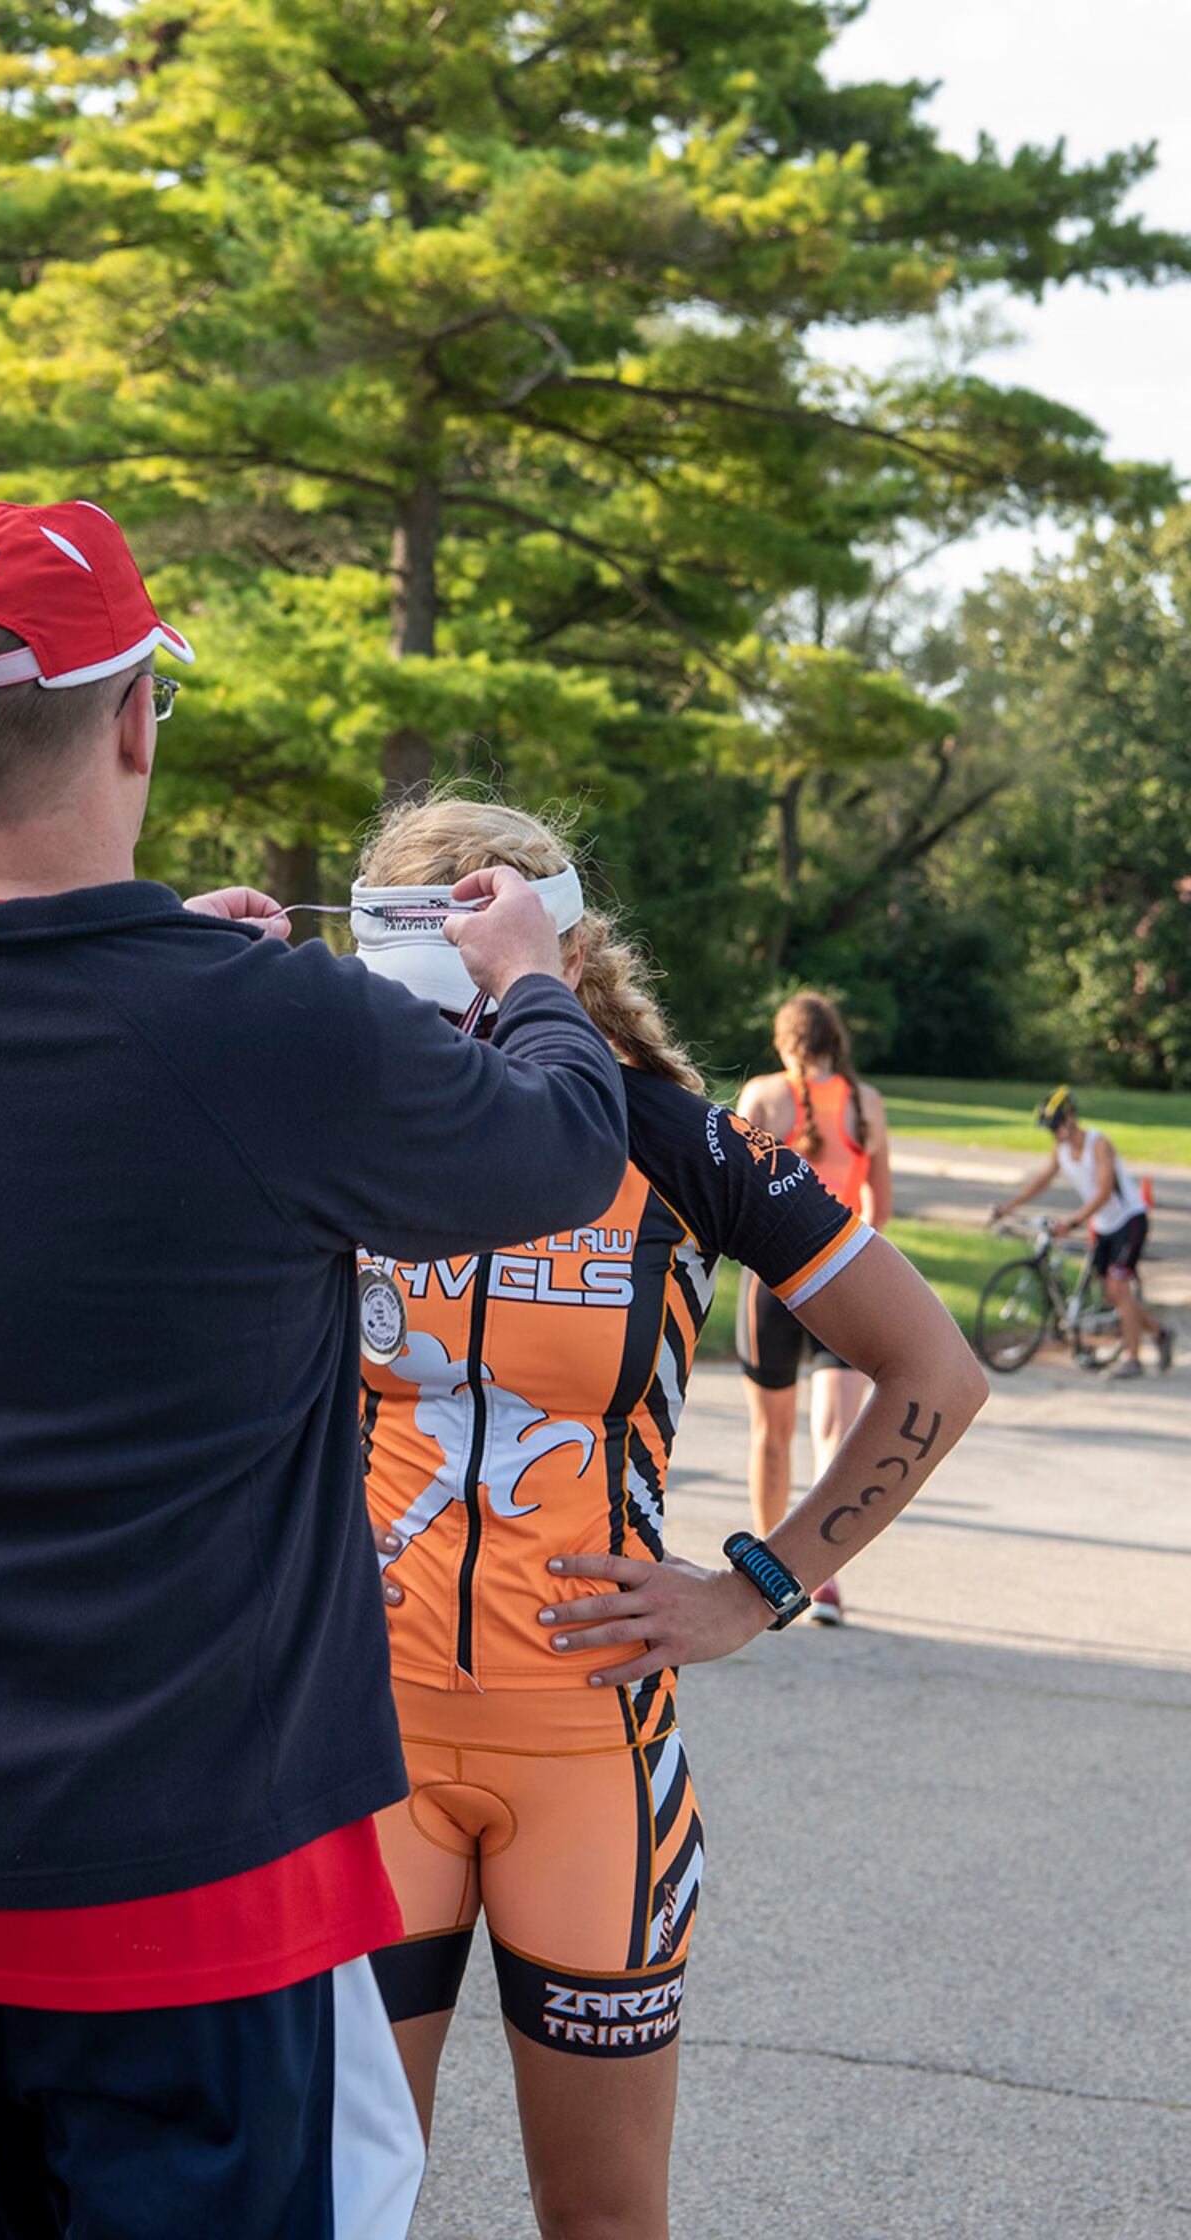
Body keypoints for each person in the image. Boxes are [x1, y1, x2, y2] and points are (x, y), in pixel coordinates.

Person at [0, 501, 634, 2240]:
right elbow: (555, 1155)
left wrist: (194, 974)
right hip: (184, 1894)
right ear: (138, 719)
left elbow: (51, 1100)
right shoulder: (267, 1030)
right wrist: (527, 980)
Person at [352, 798, 986, 2240]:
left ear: (558, 953)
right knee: (331, 2202)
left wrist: (758, 1585)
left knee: (603, 2219)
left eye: (485, 960)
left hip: (590, 1760)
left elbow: (933, 1371)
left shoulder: (677, 1142)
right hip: (358, 1749)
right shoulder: (353, 1128)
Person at [734, 994, 893, 1625]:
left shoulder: (764, 1097)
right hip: (844, 1281)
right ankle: (823, 1577)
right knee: (837, 1434)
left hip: (774, 1285)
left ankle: (769, 1580)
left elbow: (734, 1198)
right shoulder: (867, 1103)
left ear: (784, 1041)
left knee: (771, 1436)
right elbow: (879, 1206)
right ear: (837, 1040)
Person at [992, 1086, 1172, 1380]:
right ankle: (1161, 1334)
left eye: (1056, 1125)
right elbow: (1041, 1182)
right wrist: (1009, 1206)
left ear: (1072, 1118)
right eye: (1050, 1129)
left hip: (1130, 1221)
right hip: (1103, 1226)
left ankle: (1133, 1359)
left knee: (1118, 1289)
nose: (1054, 1133)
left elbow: (1103, 1192)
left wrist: (1072, 1223)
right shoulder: (1061, 1151)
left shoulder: (1098, 1145)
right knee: (1113, 1296)